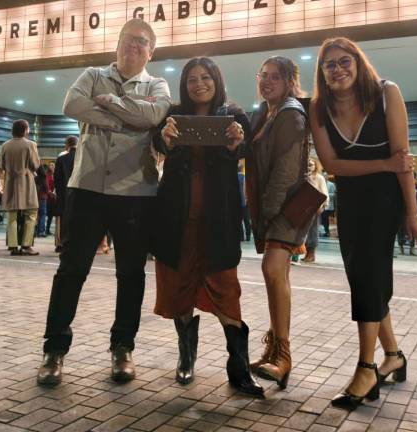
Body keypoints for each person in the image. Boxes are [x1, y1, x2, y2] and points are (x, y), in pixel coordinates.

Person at [37, 19, 171, 387]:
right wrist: (129, 120)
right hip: (87, 189)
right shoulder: (92, 74)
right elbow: (71, 105)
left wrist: (110, 104)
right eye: (128, 40)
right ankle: (54, 350)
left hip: (135, 193)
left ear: (151, 51)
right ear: (117, 44)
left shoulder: (157, 85)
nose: (134, 46)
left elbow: (153, 115)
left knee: (130, 274)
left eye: (142, 42)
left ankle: (122, 348)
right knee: (71, 271)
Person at [310, 37, 417, 411]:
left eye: (344, 62)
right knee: (362, 278)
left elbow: (402, 159)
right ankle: (394, 355)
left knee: (369, 278)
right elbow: (333, 166)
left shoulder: (386, 94)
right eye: (330, 65)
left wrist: (412, 212)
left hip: (385, 199)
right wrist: (385, 164)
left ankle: (366, 368)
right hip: (352, 201)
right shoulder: (318, 108)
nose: (338, 69)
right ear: (322, 72)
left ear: (358, 64)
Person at [154, 56, 263, 396]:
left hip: (218, 218)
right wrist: (165, 140)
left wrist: (235, 145)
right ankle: (186, 357)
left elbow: (243, 151)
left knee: (226, 289)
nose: (199, 83)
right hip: (175, 216)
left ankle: (239, 367)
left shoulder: (235, 115)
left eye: (205, 77)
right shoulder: (171, 114)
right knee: (178, 287)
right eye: (191, 79)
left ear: (217, 80)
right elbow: (158, 147)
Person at [245, 56, 310, 389]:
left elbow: (286, 170)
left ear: (289, 82)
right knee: (274, 274)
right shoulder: (266, 113)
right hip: (273, 208)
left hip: (284, 208)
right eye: (263, 76)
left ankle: (283, 354)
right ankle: (274, 348)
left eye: (275, 77)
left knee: (273, 270)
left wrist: (269, 213)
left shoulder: (290, 114)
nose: (267, 81)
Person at [2, 119, 41, 256]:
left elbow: (2, 165)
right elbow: (35, 164)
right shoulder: (31, 144)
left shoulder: (5, 145)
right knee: (31, 214)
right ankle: (26, 245)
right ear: (25, 129)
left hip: (10, 182)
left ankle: (12, 246)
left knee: (12, 215)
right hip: (26, 181)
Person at [52, 136, 77, 253]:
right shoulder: (83, 159)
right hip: (80, 195)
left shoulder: (61, 159)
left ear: (67, 145)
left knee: (62, 219)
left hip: (64, 194)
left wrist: (59, 192)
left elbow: (56, 179)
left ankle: (61, 243)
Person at [303, 158, 329, 263]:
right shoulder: (303, 177)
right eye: (307, 165)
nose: (309, 167)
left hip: (315, 207)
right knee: (304, 231)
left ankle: (311, 254)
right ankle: (306, 253)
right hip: (304, 208)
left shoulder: (319, 178)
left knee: (312, 231)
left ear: (315, 166)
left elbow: (324, 193)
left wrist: (322, 206)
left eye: (311, 165)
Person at [397, 182, 417, 255]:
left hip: (413, 211)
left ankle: (412, 249)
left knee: (413, 230)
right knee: (400, 230)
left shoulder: (416, 186)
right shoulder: (400, 184)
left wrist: (412, 194)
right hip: (401, 210)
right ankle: (401, 248)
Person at [238, 164, 251, 241]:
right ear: (242, 169)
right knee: (246, 220)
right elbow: (246, 190)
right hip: (244, 203)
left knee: (239, 220)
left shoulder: (234, 178)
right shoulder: (245, 177)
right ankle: (248, 236)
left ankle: (241, 237)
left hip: (237, 203)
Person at [35, 164, 49, 238]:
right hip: (43, 198)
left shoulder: (35, 178)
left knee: (36, 215)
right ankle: (41, 231)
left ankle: (35, 231)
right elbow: (47, 189)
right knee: (43, 215)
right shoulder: (44, 178)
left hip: (35, 198)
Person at [45, 162, 55, 235]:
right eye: (51, 165)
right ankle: (42, 229)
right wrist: (49, 192)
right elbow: (46, 185)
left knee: (50, 215)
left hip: (53, 198)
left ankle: (47, 229)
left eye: (53, 165)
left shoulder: (55, 175)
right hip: (47, 197)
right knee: (45, 214)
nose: (52, 166)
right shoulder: (47, 175)